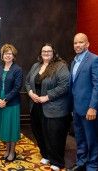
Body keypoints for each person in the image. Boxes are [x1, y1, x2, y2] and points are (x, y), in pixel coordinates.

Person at [25, 43, 70, 171]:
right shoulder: (36, 66)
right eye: (44, 51)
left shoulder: (60, 66)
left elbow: (64, 86)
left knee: (54, 135)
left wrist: (47, 97)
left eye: (49, 51)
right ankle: (46, 155)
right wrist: (30, 93)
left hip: (53, 107)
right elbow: (28, 82)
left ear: (53, 53)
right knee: (39, 132)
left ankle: (57, 161)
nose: (46, 53)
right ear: (40, 53)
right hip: (36, 106)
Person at [67, 33, 98, 171]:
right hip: (77, 108)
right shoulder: (74, 61)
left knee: (92, 140)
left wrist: (93, 107)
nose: (77, 45)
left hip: (89, 110)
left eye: (81, 42)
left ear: (87, 44)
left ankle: (93, 166)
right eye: (75, 43)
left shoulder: (95, 60)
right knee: (80, 139)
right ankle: (81, 163)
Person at [0, 44, 23, 162]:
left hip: (11, 103)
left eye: (10, 53)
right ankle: (7, 150)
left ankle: (12, 151)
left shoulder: (17, 69)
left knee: (12, 127)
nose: (7, 55)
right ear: (2, 55)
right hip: (0, 102)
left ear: (13, 56)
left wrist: (5, 100)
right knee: (4, 127)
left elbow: (17, 87)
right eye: (5, 53)